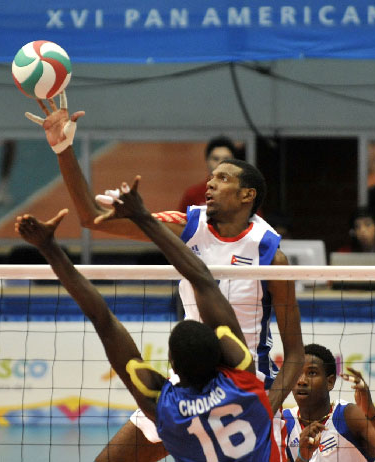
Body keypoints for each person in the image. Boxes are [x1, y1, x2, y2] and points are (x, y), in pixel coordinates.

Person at [24, 92, 303, 462]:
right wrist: (63, 148)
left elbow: (295, 354)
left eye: (222, 178)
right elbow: (90, 217)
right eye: (210, 177)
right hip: (187, 382)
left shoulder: (271, 256)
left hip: (245, 383)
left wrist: (266, 407)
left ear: (247, 195)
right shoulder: (188, 227)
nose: (210, 184)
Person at [15, 176, 283, 462]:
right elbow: (203, 280)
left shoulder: (165, 409)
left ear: (172, 367)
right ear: (227, 350)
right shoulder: (244, 379)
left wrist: (49, 248)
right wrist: (143, 216)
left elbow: (103, 321)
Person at [282, 344, 375, 462]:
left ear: (330, 382)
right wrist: (302, 457)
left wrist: (371, 412)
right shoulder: (285, 421)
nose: (302, 381)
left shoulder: (349, 416)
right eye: (297, 373)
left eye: (312, 373)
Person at [178, 136, 242, 212]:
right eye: (216, 159)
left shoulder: (242, 194)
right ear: (207, 160)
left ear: (234, 162)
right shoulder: (193, 194)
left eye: (226, 159)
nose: (220, 163)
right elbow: (182, 219)